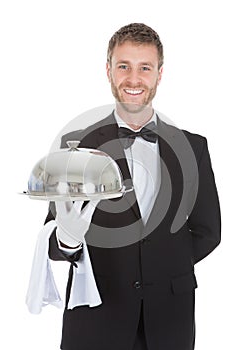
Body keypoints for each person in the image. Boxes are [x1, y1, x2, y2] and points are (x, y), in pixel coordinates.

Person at [45, 23, 221, 350]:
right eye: (123, 66)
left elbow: (209, 231)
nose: (134, 78)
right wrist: (68, 240)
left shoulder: (193, 148)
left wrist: (157, 268)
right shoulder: (77, 146)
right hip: (96, 320)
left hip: (170, 320)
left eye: (145, 68)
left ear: (159, 74)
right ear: (108, 70)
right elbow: (55, 242)